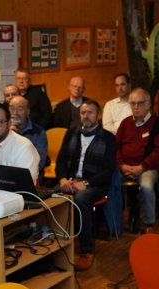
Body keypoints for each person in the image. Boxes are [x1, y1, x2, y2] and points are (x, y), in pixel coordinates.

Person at [56, 100, 116, 271]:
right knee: (49, 196)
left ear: (98, 115)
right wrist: (62, 179)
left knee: (81, 199)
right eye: (83, 113)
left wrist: (86, 183)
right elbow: (60, 160)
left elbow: (108, 171)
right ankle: (56, 247)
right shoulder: (72, 133)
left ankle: (86, 250)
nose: (86, 116)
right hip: (71, 180)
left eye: (90, 112)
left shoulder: (108, 138)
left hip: (96, 184)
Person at [115, 88, 159, 234]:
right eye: (132, 103)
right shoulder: (125, 123)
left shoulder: (157, 123)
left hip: (147, 167)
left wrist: (142, 167)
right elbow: (116, 147)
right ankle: (115, 222)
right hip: (125, 167)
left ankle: (148, 223)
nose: (136, 107)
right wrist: (122, 165)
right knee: (110, 180)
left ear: (148, 104)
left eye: (140, 103)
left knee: (146, 186)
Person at [9, 95, 48, 176]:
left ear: (28, 111)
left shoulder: (39, 132)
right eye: (12, 108)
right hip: (6, 175)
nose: (15, 113)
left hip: (29, 176)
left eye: (20, 109)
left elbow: (39, 162)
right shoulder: (3, 131)